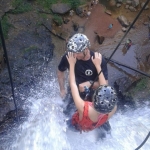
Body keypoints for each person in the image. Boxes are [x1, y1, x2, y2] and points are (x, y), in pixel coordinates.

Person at [66, 52, 117, 132]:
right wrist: (98, 65)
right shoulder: (112, 109)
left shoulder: (83, 108)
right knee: (104, 125)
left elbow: (73, 84)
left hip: (75, 126)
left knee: (64, 123)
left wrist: (71, 64)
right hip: (92, 126)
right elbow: (104, 86)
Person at [57, 33, 108, 100]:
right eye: (73, 51)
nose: (75, 55)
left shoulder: (97, 60)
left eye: (78, 52)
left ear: (86, 49)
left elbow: (105, 85)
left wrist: (90, 84)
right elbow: (60, 71)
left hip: (91, 95)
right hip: (73, 92)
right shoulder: (70, 56)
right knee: (67, 110)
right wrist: (62, 89)